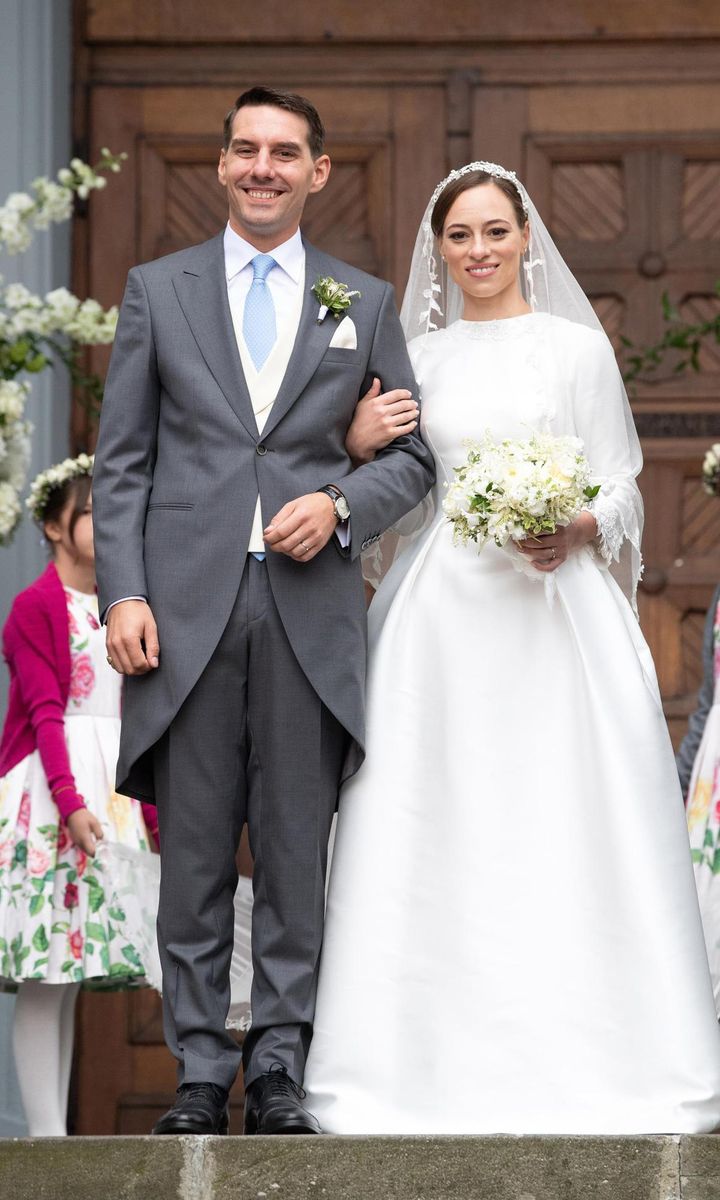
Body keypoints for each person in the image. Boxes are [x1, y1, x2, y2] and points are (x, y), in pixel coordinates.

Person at [302, 162, 720, 1134]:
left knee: (564, 818)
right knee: (432, 816)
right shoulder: (419, 353)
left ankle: (609, 1055)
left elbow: (622, 483)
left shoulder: (574, 351)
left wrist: (575, 526)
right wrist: (358, 445)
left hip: (552, 614)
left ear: (527, 235)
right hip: (443, 619)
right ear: (439, 249)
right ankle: (409, 1067)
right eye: (460, 236)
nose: (479, 251)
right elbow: (395, 479)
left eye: (495, 231)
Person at [91, 86, 434, 1136]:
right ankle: (200, 1071)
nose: (263, 168)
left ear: (317, 171)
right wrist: (125, 593)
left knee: (295, 855)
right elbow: (125, 463)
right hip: (183, 614)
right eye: (246, 149)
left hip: (306, 613)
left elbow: (416, 457)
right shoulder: (158, 289)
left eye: (285, 153)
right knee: (192, 857)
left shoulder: (361, 302)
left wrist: (337, 501)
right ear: (223, 163)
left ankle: (279, 1066)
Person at [0, 453, 159, 1136]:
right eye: (89, 510)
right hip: (51, 793)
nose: (103, 518)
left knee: (83, 957)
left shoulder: (126, 605)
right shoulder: (36, 606)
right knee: (47, 967)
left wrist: (150, 809)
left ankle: (57, 1137)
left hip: (113, 788)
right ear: (53, 527)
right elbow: (42, 712)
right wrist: (69, 802)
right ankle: (45, 1136)